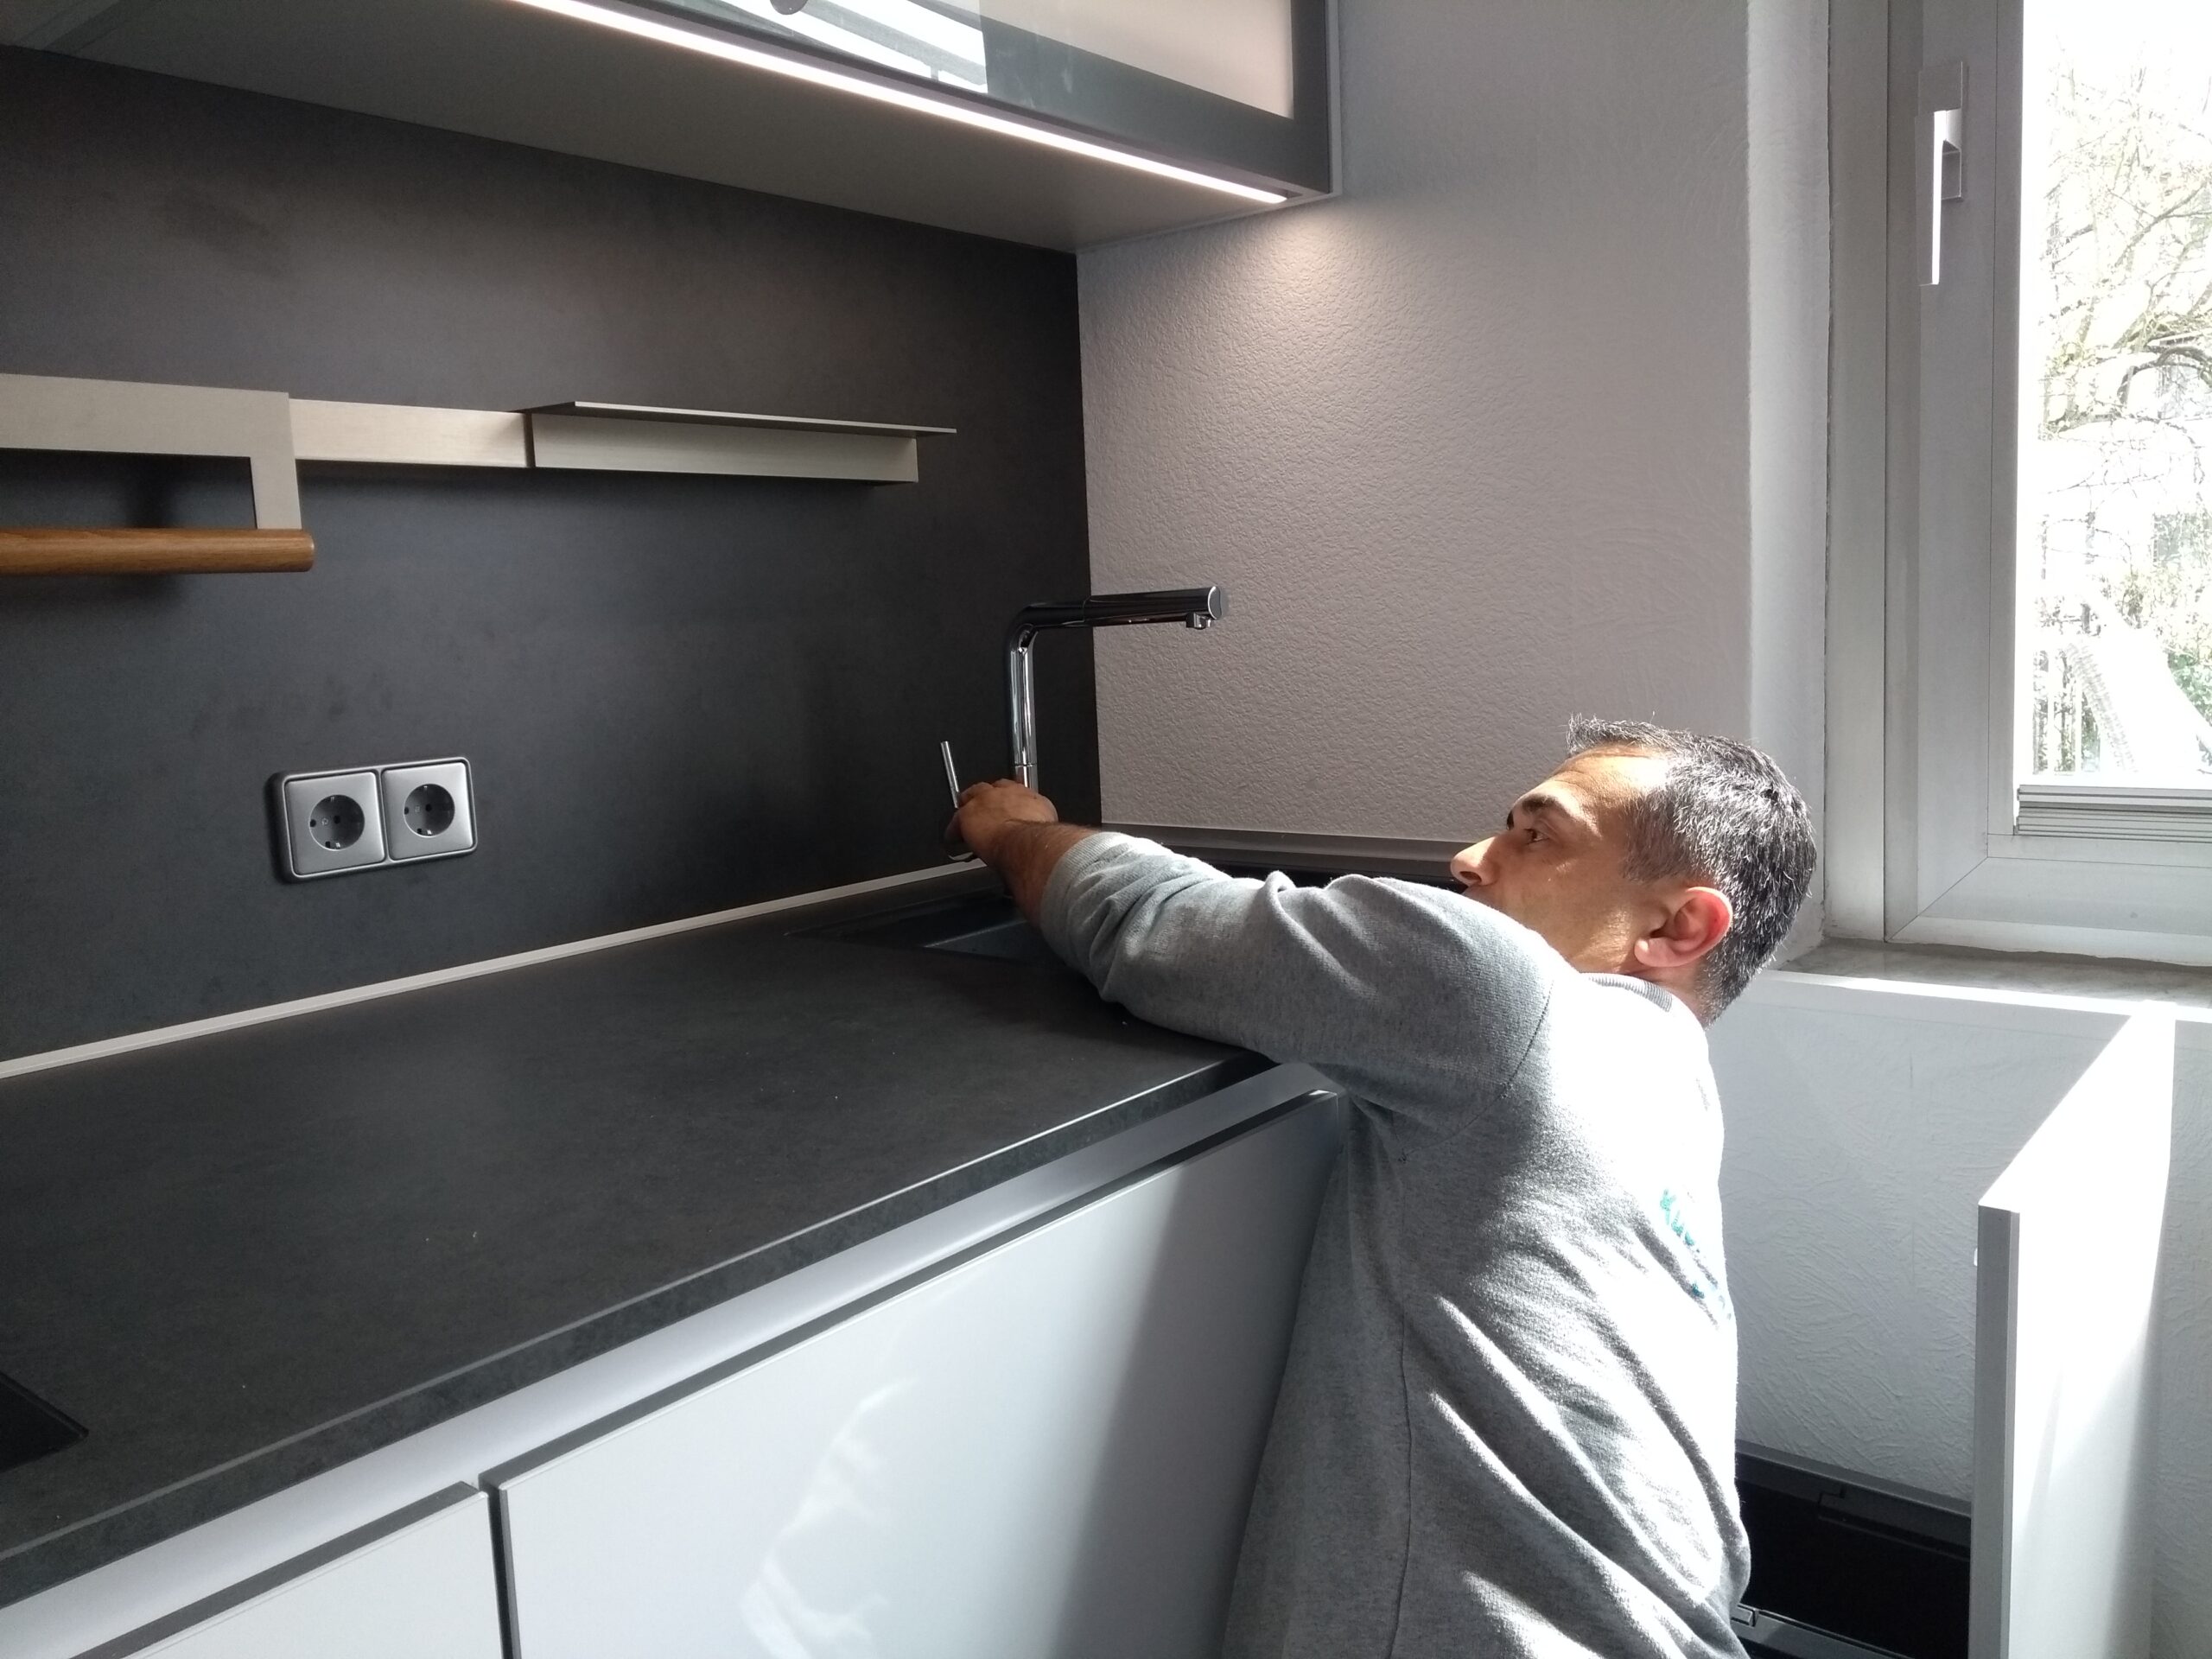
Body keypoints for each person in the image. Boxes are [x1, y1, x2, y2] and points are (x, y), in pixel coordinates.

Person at [949, 716, 1818, 1659]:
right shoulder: (1673, 1087)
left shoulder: (1512, 1000)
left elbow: (1148, 918)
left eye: (1537, 836)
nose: (1469, 859)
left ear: (1676, 926)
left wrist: (1012, 827)